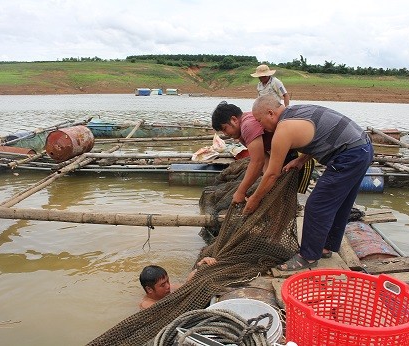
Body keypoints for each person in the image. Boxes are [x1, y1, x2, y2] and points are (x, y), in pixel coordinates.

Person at [244, 94, 373, 271]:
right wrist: (300, 160)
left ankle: (308, 257)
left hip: (350, 155)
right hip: (363, 147)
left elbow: (272, 174)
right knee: (341, 203)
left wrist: (255, 199)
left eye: (260, 120)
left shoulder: (283, 129)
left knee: (317, 205)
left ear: (270, 113)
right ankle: (326, 247)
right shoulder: (296, 111)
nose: (261, 127)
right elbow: (322, 136)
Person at [211, 101, 313, 204]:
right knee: (275, 194)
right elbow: (264, 160)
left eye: (225, 129)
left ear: (234, 120)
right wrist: (268, 183)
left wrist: (240, 192)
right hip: (283, 157)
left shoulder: (248, 125)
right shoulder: (242, 132)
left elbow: (257, 162)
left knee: (287, 198)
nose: (226, 134)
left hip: (302, 157)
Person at [139, 257, 217, 309]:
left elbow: (188, 285)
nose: (168, 286)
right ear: (149, 289)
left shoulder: (171, 288)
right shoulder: (147, 306)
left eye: (167, 281)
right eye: (163, 285)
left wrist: (201, 264)